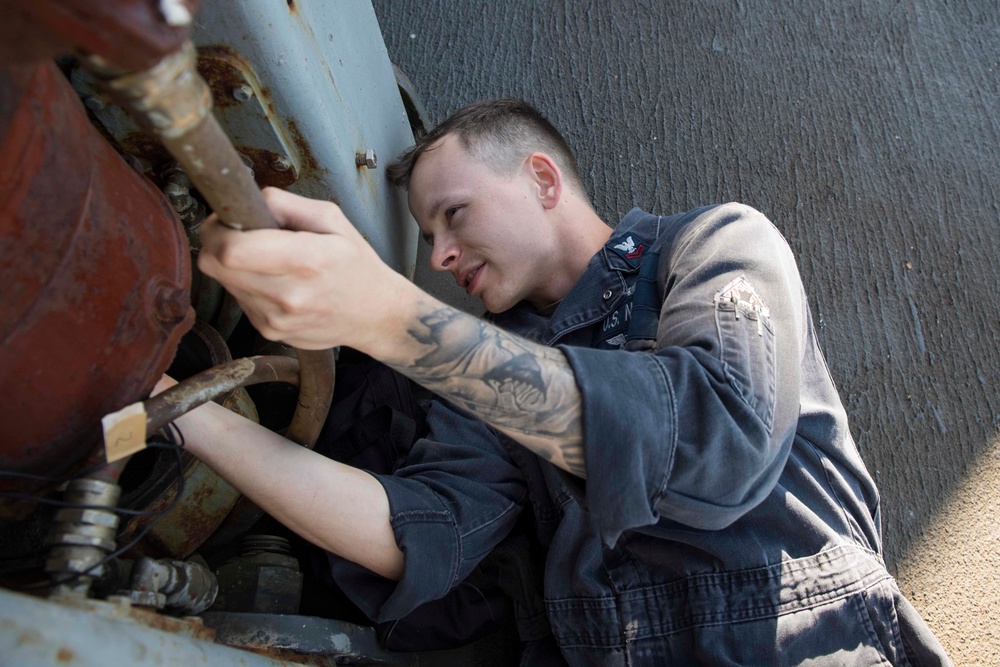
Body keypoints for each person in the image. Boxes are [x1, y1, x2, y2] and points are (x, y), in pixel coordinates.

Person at [177, 99, 950, 665]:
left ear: (543, 179)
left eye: (454, 214)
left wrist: (390, 317)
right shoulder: (487, 368)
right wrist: (192, 416)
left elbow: (717, 442)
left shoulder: (712, 244)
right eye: (428, 238)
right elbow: (422, 529)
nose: (440, 255)